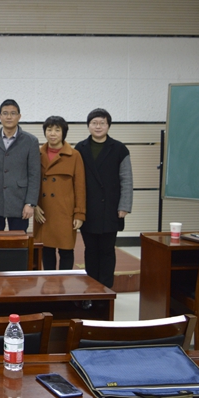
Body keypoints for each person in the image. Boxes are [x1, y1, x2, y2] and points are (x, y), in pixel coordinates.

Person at [75, 108, 133, 289]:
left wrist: (124, 206)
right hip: (88, 208)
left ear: (108, 126)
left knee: (107, 250)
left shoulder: (120, 149)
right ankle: (91, 290)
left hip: (111, 208)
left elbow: (126, 179)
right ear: (88, 125)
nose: (98, 126)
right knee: (91, 250)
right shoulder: (80, 148)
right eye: (94, 123)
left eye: (102, 123)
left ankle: (106, 291)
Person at [33, 116, 86, 270]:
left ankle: (64, 283)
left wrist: (79, 214)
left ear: (63, 133)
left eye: (57, 130)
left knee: (66, 251)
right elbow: (31, 182)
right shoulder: (37, 154)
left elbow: (80, 187)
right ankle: (49, 283)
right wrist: (33, 205)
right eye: (49, 129)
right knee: (46, 251)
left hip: (65, 212)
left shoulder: (74, 155)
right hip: (43, 211)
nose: (53, 133)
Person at [0, 99, 40, 231]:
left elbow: (34, 174)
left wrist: (30, 203)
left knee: (18, 241)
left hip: (19, 201)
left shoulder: (30, 141)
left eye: (13, 113)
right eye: (5, 113)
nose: (9, 117)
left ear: (19, 116)